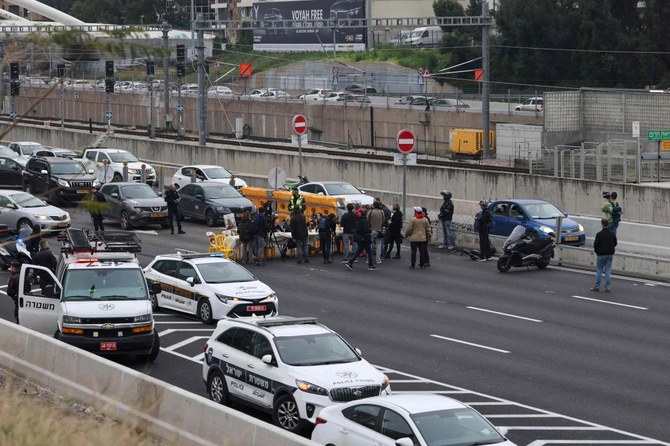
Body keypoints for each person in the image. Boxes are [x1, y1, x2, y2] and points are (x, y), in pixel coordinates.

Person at [592, 218, 617, 292]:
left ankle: (597, 286)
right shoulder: (612, 234)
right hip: (610, 254)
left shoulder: (599, 234)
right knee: (608, 270)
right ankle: (607, 287)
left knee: (599, 270)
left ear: (602, 225)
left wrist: (597, 252)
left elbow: (595, 245)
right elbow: (615, 243)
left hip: (601, 254)